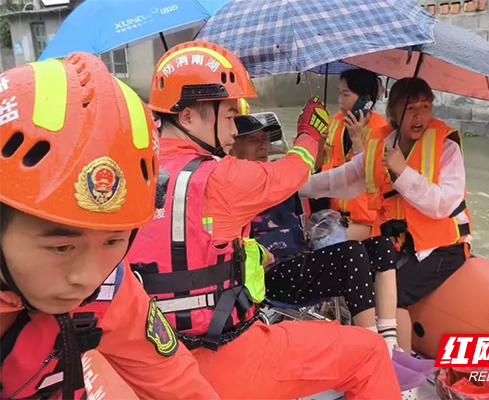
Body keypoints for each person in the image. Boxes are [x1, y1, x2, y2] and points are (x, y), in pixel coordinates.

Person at [128, 41, 402, 399]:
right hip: (224, 354)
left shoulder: (135, 173)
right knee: (369, 353)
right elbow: (293, 171)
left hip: (158, 359)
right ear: (188, 116)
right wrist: (310, 132)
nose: (232, 133)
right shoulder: (221, 178)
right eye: (228, 117)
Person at [0, 53, 218, 399]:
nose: (86, 278)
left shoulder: (110, 288)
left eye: (114, 241)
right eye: (61, 246)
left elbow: (174, 382)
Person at [300, 76, 470, 375]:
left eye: (425, 107)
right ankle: (366, 350)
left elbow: (443, 204)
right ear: (393, 112)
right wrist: (295, 186)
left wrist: (402, 172)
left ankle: (402, 373)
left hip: (442, 246)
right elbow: (344, 178)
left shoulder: (446, 148)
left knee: (397, 293)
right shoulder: (382, 143)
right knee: (359, 272)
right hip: (397, 241)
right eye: (410, 108)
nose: (419, 116)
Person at [317, 68, 389, 241]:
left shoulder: (381, 130)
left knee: (326, 240)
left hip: (369, 221)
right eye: (339, 93)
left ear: (364, 100)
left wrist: (357, 140)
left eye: (346, 95)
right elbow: (319, 167)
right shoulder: (335, 122)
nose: (340, 101)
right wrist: (319, 145)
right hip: (336, 214)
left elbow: (373, 178)